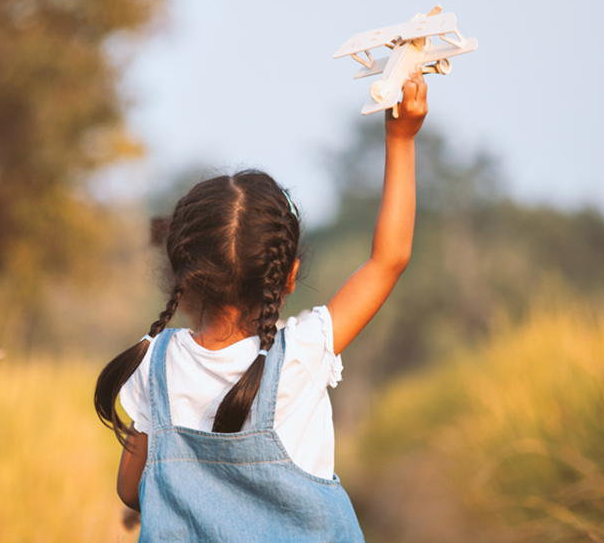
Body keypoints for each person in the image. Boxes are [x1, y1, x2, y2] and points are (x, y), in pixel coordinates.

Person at [94, 65, 428, 541]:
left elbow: (132, 490)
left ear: (183, 279)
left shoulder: (156, 365)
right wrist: (401, 138)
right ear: (288, 276)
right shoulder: (303, 352)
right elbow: (388, 260)